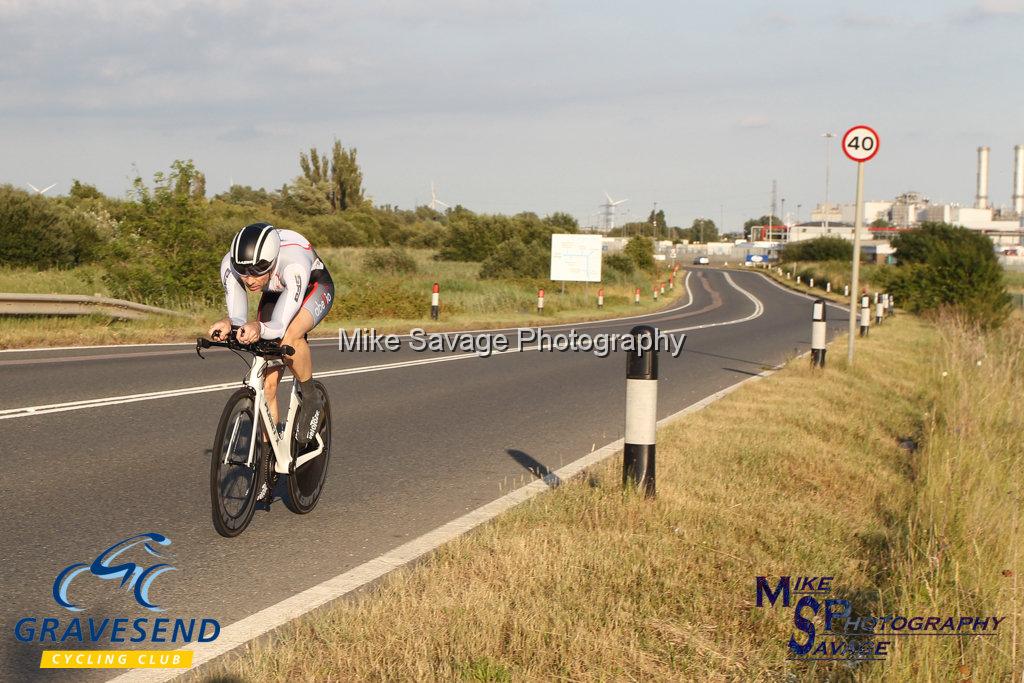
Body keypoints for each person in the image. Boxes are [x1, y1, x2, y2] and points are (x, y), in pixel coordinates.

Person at [208, 222, 334, 445]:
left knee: (290, 336)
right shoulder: (230, 265)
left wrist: (258, 327)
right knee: (267, 387)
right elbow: (237, 317)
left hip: (313, 286)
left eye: (257, 271)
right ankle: (268, 459)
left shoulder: (293, 264)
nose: (249, 279)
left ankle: (311, 395)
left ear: (272, 260)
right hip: (276, 291)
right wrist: (229, 323)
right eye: (244, 272)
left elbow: (279, 324)